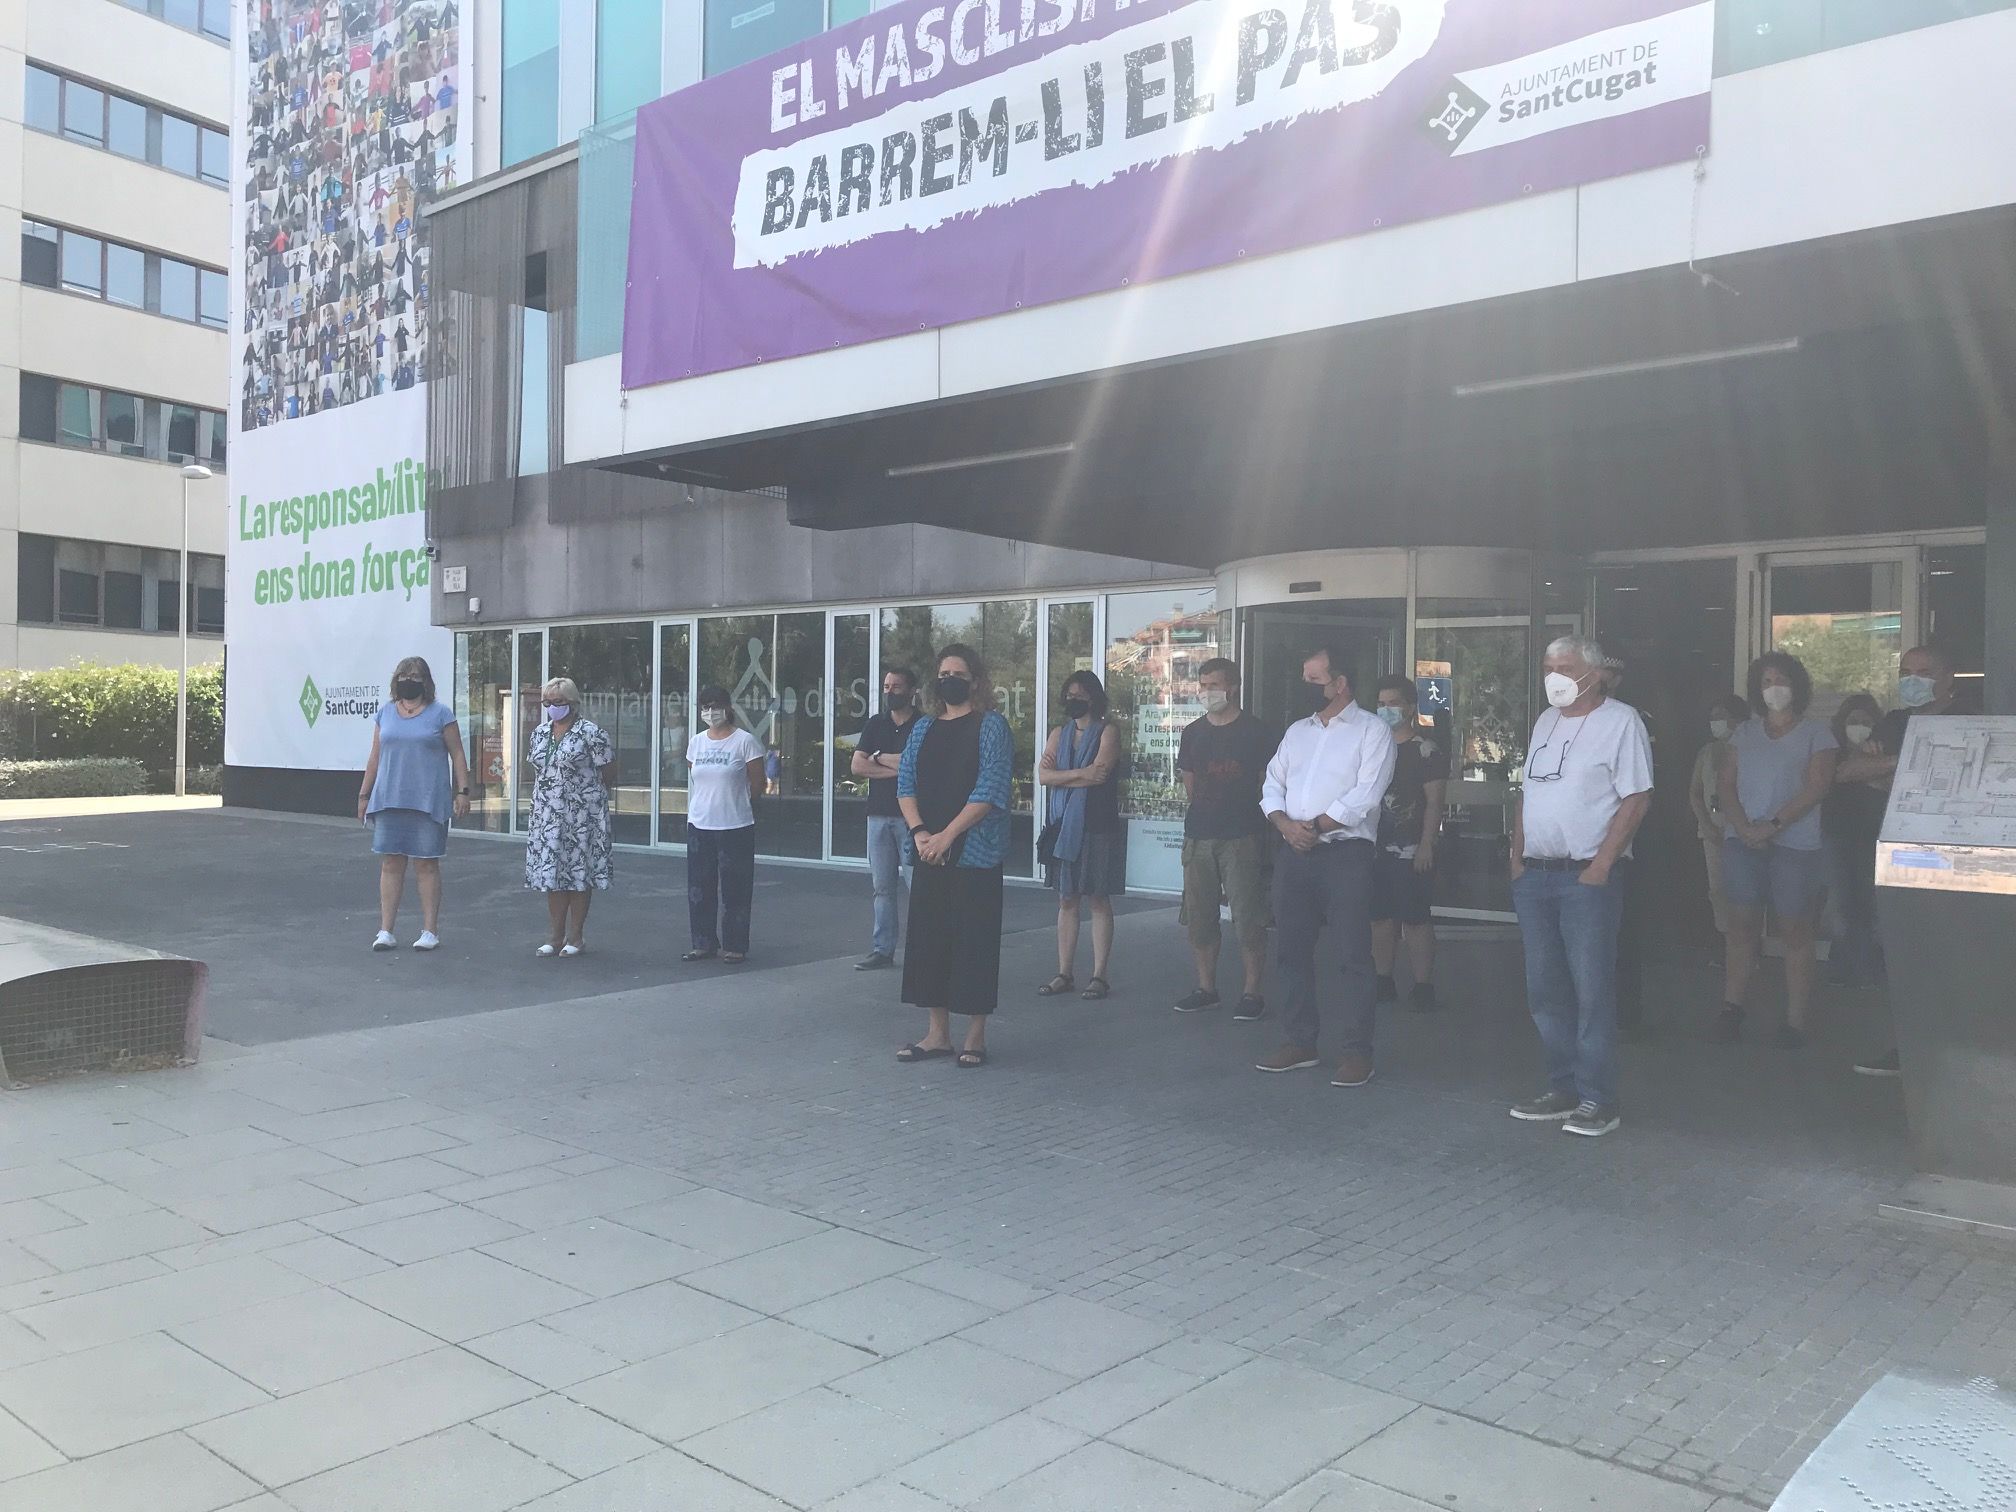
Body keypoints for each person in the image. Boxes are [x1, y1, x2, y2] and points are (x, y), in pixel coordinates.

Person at [1507, 636, 1653, 1138]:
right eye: (1548, 666)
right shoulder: (1545, 722)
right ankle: (1562, 1087)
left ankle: (1598, 1097)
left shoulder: (1621, 721)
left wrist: (1602, 865)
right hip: (1537, 875)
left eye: (1565, 667)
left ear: (1592, 672)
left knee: (1591, 989)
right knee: (1545, 989)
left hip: (1586, 876)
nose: (1555, 676)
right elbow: (1528, 793)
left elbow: (1636, 798)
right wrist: (1516, 858)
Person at [1256, 645, 1396, 1087]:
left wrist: (1312, 826)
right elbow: (1271, 783)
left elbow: (1364, 795)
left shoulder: (1372, 732)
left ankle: (1357, 1052)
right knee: (1291, 951)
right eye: (1304, 678)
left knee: (1353, 954)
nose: (1306, 688)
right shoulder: (1297, 731)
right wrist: (1284, 825)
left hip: (1344, 855)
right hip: (1294, 854)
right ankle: (1300, 1041)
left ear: (1341, 684)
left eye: (1314, 680)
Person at [1848, 646, 1972, 1076]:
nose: (1914, 680)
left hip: (1954, 857)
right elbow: (1848, 771)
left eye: (1925, 671)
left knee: (1953, 955)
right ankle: (1908, 1049)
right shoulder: (1896, 721)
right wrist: (1905, 762)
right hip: (1899, 854)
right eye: (1906, 672)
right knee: (1903, 956)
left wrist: (1888, 773)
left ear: (1949, 676)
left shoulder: (1971, 718)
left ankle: (1957, 1048)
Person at [895, 645, 1014, 1069]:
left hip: (973, 854)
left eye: (957, 673)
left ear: (975, 681)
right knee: (929, 942)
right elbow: (905, 783)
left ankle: (975, 1038)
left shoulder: (991, 726)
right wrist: (922, 833)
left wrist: (948, 835)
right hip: (930, 852)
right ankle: (937, 1035)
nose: (949, 679)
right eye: (943, 673)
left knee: (974, 943)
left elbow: (990, 788)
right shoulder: (924, 727)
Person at [1715, 652, 1838, 1049]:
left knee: (1795, 930)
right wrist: (1742, 827)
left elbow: (1817, 787)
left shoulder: (1818, 734)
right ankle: (1732, 1007)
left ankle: (1795, 1021)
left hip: (1795, 845)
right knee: (1741, 926)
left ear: (1797, 685)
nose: (1774, 688)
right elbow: (1726, 785)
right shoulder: (1743, 734)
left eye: (1781, 679)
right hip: (1744, 841)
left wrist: (1772, 825)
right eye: (1765, 681)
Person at [1172, 657, 1274, 1020]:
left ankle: (1252, 992)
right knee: (1199, 916)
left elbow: (1268, 784)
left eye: (1212, 685)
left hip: (1242, 836)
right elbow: (1189, 782)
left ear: (1232, 687)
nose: (1205, 692)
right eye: (1201, 685)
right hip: (1199, 835)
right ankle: (1206, 988)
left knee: (1248, 917)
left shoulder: (1257, 732)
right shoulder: (1193, 732)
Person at [357, 656, 469, 952]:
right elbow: (375, 756)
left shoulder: (440, 714)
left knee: (426, 864)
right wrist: (363, 794)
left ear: (426, 681)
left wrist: (463, 791)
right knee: (391, 863)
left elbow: (457, 754)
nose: (410, 680)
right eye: (405, 674)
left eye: (416, 676)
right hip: (389, 798)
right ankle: (385, 931)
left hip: (427, 800)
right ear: (396, 679)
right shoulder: (385, 713)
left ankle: (429, 931)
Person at [1038, 670, 1126, 1001]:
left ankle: (1099, 975)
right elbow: (1044, 778)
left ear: (1093, 697)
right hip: (1064, 826)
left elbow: (1099, 777)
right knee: (1066, 898)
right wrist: (1080, 773)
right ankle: (1064, 972)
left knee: (1098, 898)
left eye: (1080, 695)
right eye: (1069, 694)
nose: (1073, 700)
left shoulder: (1108, 732)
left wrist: (1064, 776)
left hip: (1097, 825)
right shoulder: (1059, 733)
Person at [1370, 675, 1449, 1014]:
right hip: (1375, 848)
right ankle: (1382, 978)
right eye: (1381, 703)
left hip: (1412, 848)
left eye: (1393, 703)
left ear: (1410, 708)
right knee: (1380, 917)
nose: (1386, 709)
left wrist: (1427, 844)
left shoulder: (1424, 750)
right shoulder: (1371, 749)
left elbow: (1434, 802)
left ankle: (1422, 984)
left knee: (1415, 918)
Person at [523, 677, 614, 958]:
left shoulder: (591, 733)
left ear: (573, 703)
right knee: (552, 874)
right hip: (546, 815)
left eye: (558, 702)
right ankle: (555, 935)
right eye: (547, 703)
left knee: (578, 875)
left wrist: (587, 800)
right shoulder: (539, 733)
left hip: (582, 816)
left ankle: (576, 936)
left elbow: (608, 773)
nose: (552, 707)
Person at [684, 686, 766, 964]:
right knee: (699, 888)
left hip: (735, 824)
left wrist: (740, 800)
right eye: (704, 706)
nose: (710, 711)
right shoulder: (696, 742)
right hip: (700, 823)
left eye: (715, 705)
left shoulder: (745, 742)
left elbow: (757, 784)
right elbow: (695, 774)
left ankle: (735, 945)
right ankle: (703, 943)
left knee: (736, 889)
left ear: (728, 707)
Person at [850, 666, 919, 971]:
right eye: (886, 686)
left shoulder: (924, 725)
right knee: (882, 887)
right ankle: (882, 950)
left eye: (896, 686)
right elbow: (857, 766)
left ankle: (923, 949)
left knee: (918, 887)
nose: (890, 692)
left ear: (912, 691)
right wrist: (895, 766)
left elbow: (918, 765)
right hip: (878, 816)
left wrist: (876, 758)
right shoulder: (875, 724)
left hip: (912, 817)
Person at [1822, 692, 1887, 990]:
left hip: (1873, 838)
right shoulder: (1831, 752)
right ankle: (1841, 967)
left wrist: (1873, 767)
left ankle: (1869, 968)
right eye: (1853, 721)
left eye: (1865, 721)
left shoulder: (1883, 753)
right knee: (1839, 906)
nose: (1858, 726)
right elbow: (1835, 778)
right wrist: (1863, 772)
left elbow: (1886, 785)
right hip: (1835, 838)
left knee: (1870, 905)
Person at [1688, 693, 1750, 946]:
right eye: (1712, 718)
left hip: (1744, 831)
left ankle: (1749, 947)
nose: (1716, 722)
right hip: (1713, 831)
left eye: (1721, 717)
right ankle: (1728, 947)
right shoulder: (1707, 751)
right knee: (1718, 891)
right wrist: (1706, 825)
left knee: (1746, 892)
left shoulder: (1749, 749)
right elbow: (1695, 793)